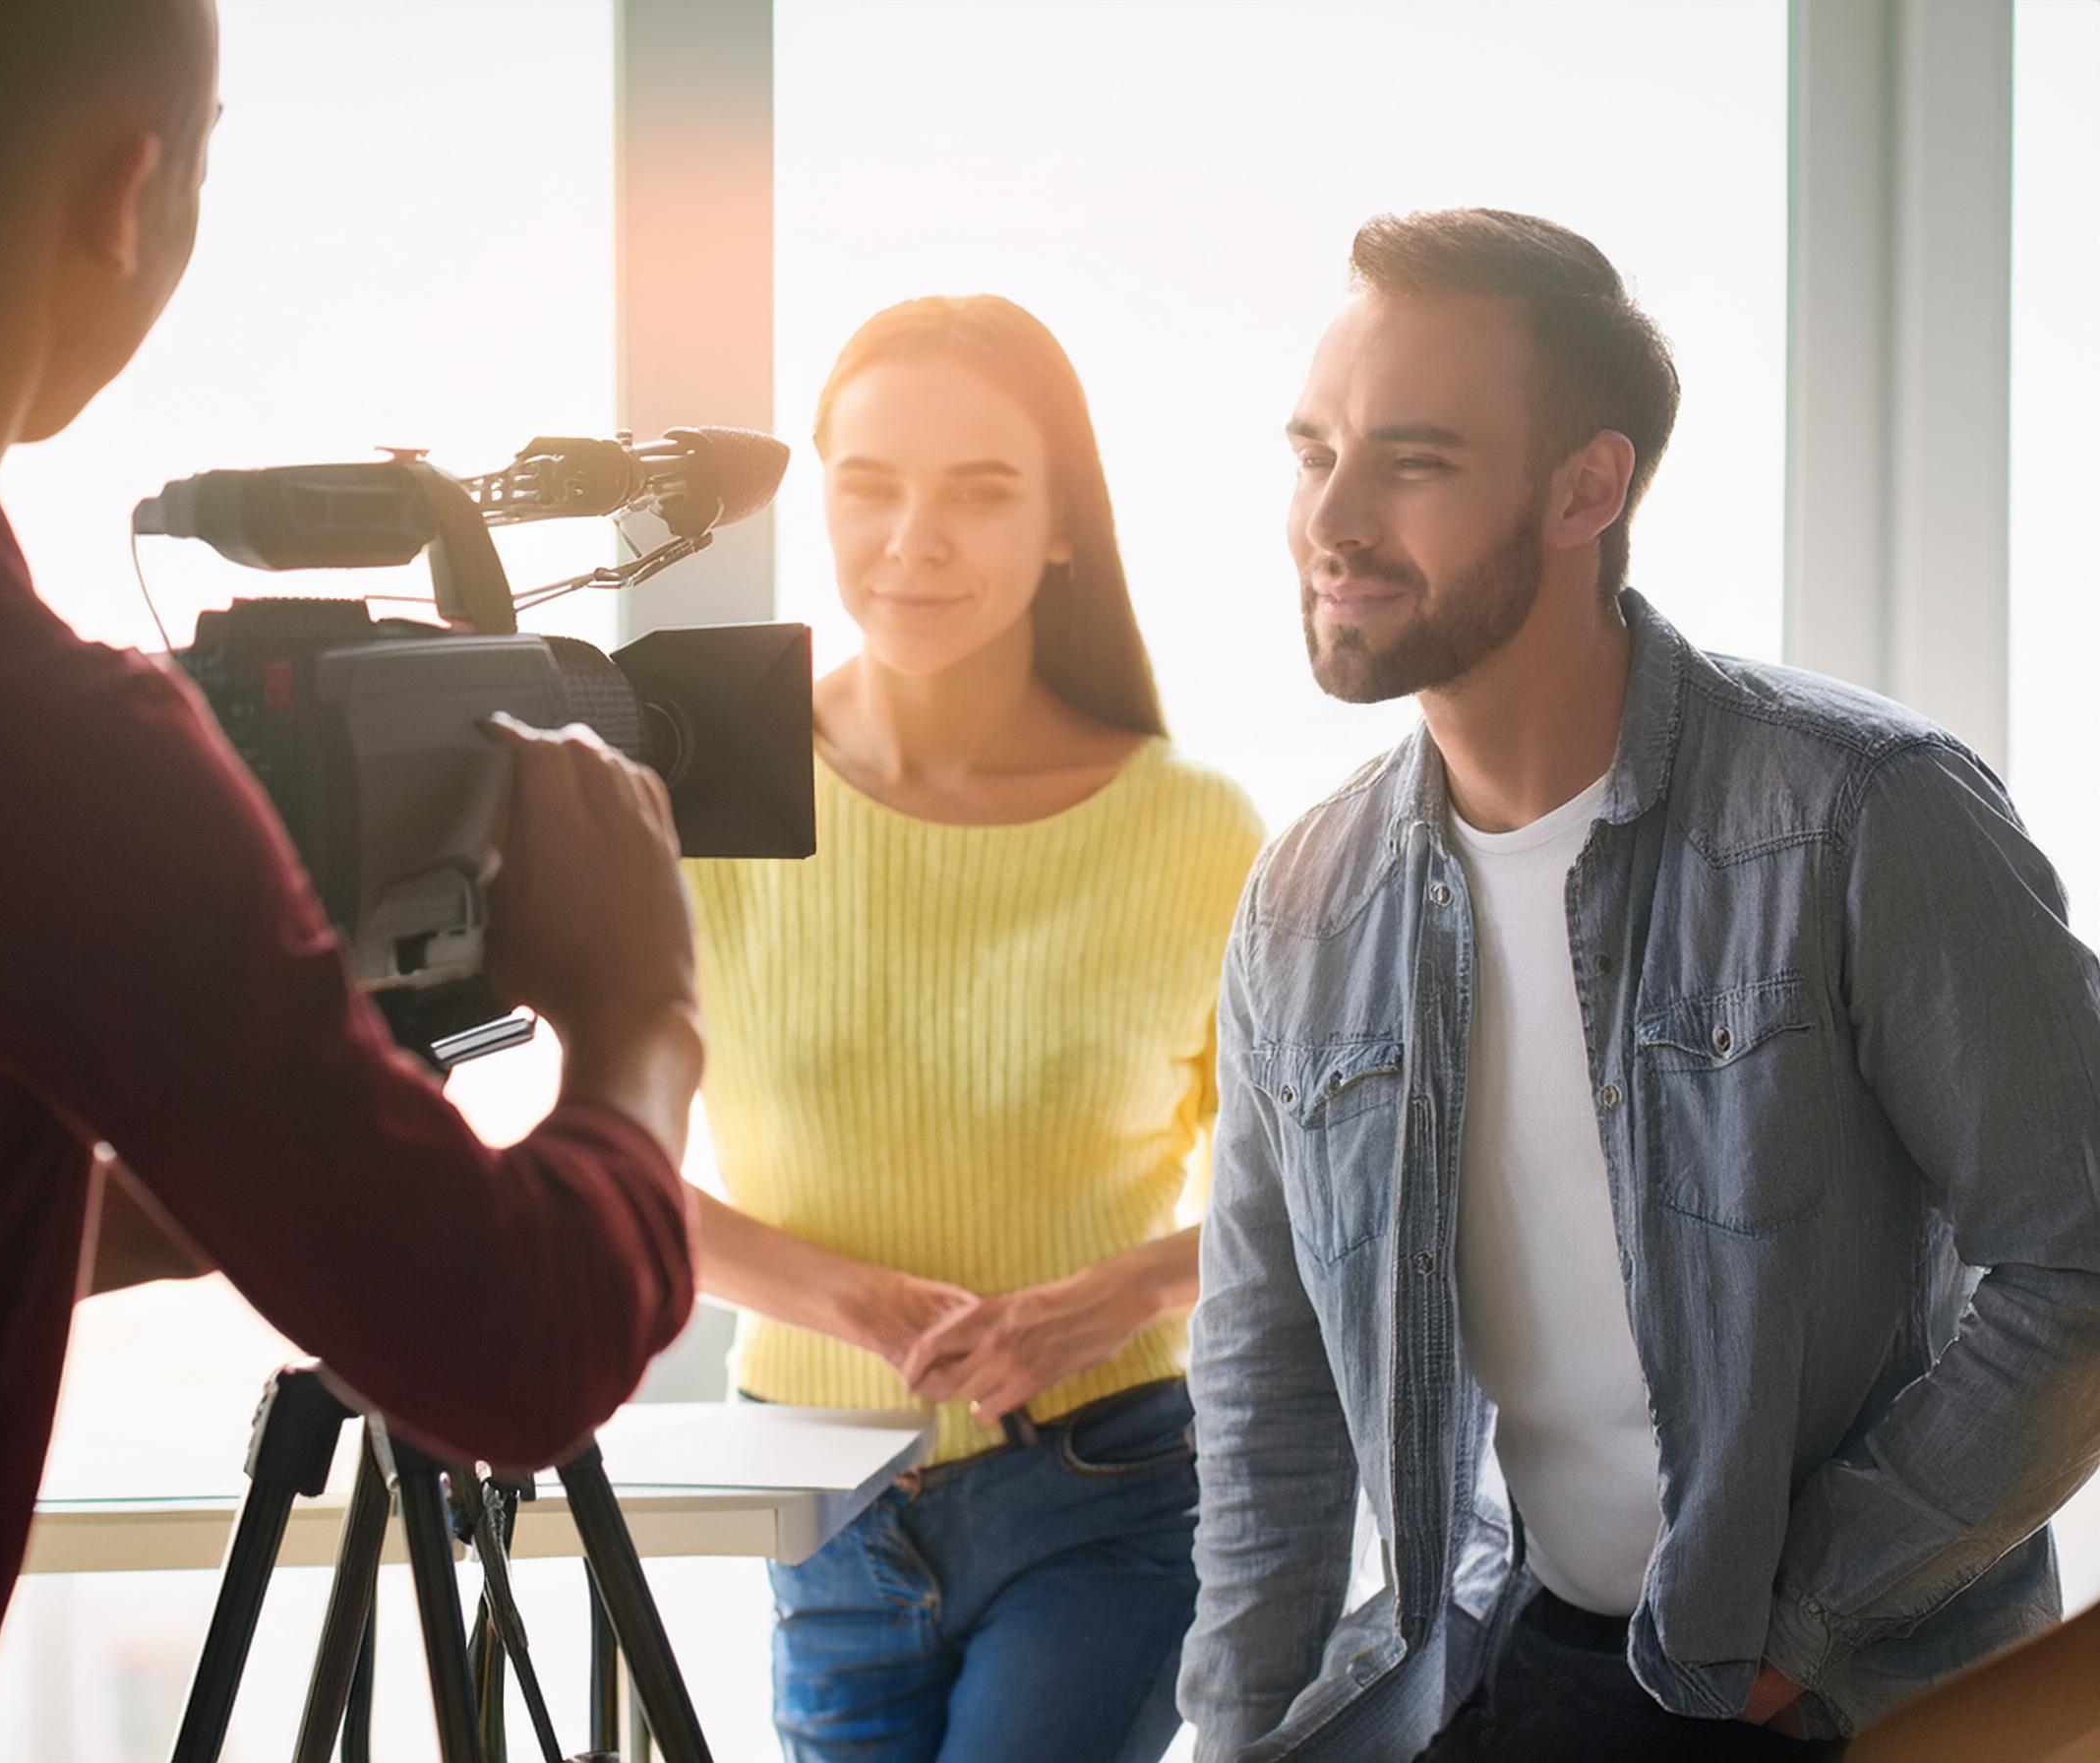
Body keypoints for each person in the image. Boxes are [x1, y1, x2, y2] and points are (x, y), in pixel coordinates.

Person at [0, 4, 701, 1758]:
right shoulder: (21, 726)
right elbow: (515, 1351)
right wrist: (641, 1014)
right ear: (131, 188)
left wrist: (197, 1189)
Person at [1178, 208, 2100, 1762]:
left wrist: (1799, 1626)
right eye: (1311, 449)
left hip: (1850, 1688)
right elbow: (1268, 1392)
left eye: (1411, 461)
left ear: (1586, 488)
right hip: (1510, 1663)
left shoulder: (1866, 814)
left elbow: (2077, 1265)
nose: (1329, 517)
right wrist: (1234, 1738)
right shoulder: (1305, 905)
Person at [681, 294, 1264, 1762]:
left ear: (1062, 522)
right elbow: (605, 1176)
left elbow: (1317, 1182)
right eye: (869, 486)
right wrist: (847, 1300)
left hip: (1107, 1483)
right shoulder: (705, 809)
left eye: (980, 492)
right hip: (813, 1495)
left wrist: (1117, 1294)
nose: (912, 542)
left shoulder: (1195, 831)